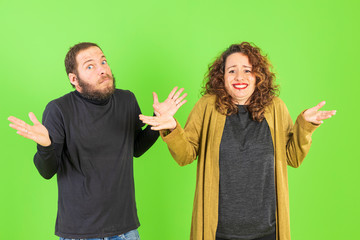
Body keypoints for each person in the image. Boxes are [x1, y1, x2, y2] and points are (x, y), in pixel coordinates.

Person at [139, 42, 336, 240]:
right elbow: (185, 155)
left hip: (268, 231)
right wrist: (171, 126)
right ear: (222, 77)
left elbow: (293, 157)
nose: (239, 77)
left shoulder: (275, 107)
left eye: (247, 70)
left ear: (258, 75)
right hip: (218, 232)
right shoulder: (207, 106)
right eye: (231, 71)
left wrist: (304, 125)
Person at [8, 42, 187, 240]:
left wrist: (158, 122)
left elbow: (135, 148)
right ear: (74, 79)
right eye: (90, 66)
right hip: (80, 233)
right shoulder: (59, 110)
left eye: (103, 61)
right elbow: (47, 171)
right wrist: (46, 146)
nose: (102, 69)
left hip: (126, 231)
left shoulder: (127, 100)